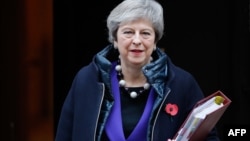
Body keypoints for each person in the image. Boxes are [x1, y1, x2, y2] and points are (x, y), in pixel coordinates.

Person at [55, 0, 221, 140]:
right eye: (128, 32)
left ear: (155, 41)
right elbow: (64, 135)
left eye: (145, 33)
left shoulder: (181, 83)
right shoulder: (88, 79)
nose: (136, 40)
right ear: (114, 39)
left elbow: (208, 136)